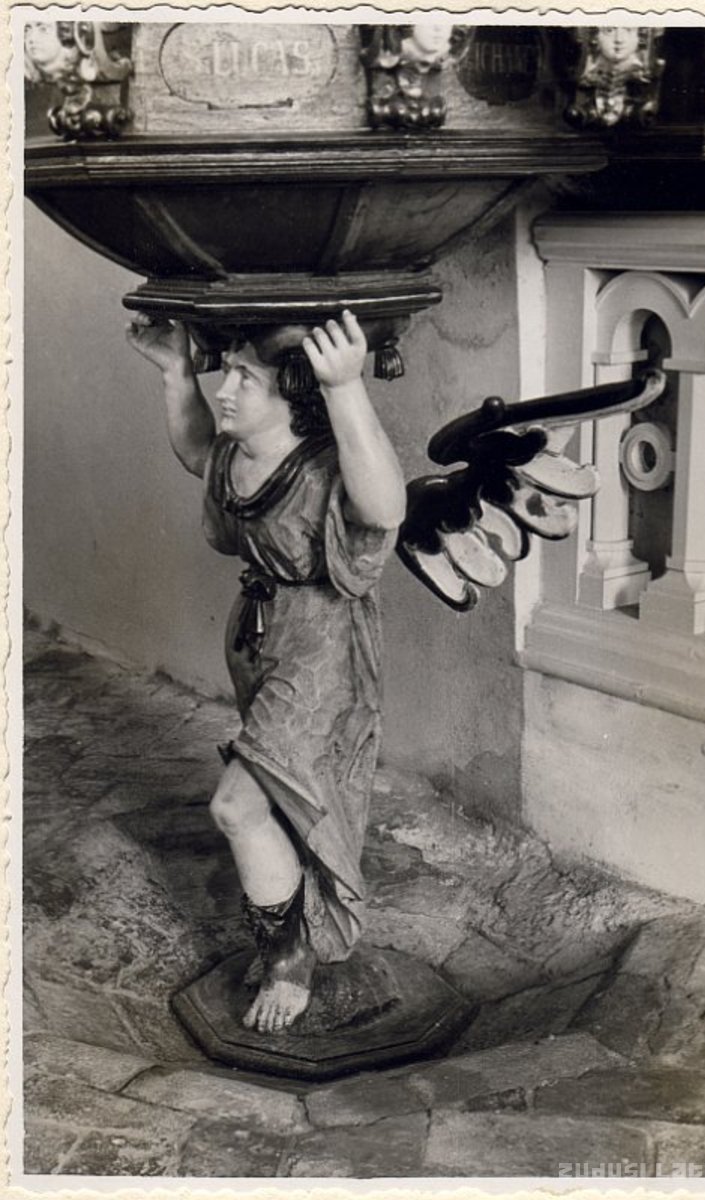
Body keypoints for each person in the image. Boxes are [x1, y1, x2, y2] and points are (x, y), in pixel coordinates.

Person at [126, 311, 406, 1034]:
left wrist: (345, 386)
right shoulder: (238, 455)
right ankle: (294, 917)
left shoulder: (322, 469)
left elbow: (384, 508)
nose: (227, 390)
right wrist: (175, 371)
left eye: (246, 379)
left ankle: (290, 959)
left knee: (239, 805)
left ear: (293, 396)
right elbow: (199, 452)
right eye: (229, 373)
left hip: (321, 650)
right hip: (259, 634)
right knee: (282, 795)